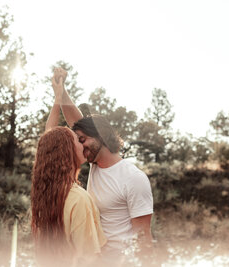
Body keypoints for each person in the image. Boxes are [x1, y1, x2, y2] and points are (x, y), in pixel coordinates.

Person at [53, 68, 154, 263]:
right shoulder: (96, 165)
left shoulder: (133, 178)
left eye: (82, 140)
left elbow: (143, 239)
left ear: (100, 136)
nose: (79, 147)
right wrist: (61, 90)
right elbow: (75, 119)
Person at [31, 68, 106, 267]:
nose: (84, 144)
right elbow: (89, 260)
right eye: (78, 141)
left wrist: (59, 97)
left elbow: (48, 142)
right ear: (66, 153)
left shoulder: (45, 195)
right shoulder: (79, 200)